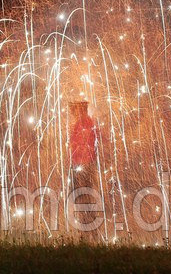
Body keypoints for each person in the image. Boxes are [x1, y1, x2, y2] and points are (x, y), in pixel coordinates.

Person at [67, 101, 100, 238]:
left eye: (73, 110)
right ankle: (89, 229)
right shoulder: (88, 123)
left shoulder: (83, 123)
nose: (72, 113)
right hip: (83, 164)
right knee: (84, 196)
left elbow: (81, 146)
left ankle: (87, 230)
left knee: (83, 196)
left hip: (82, 165)